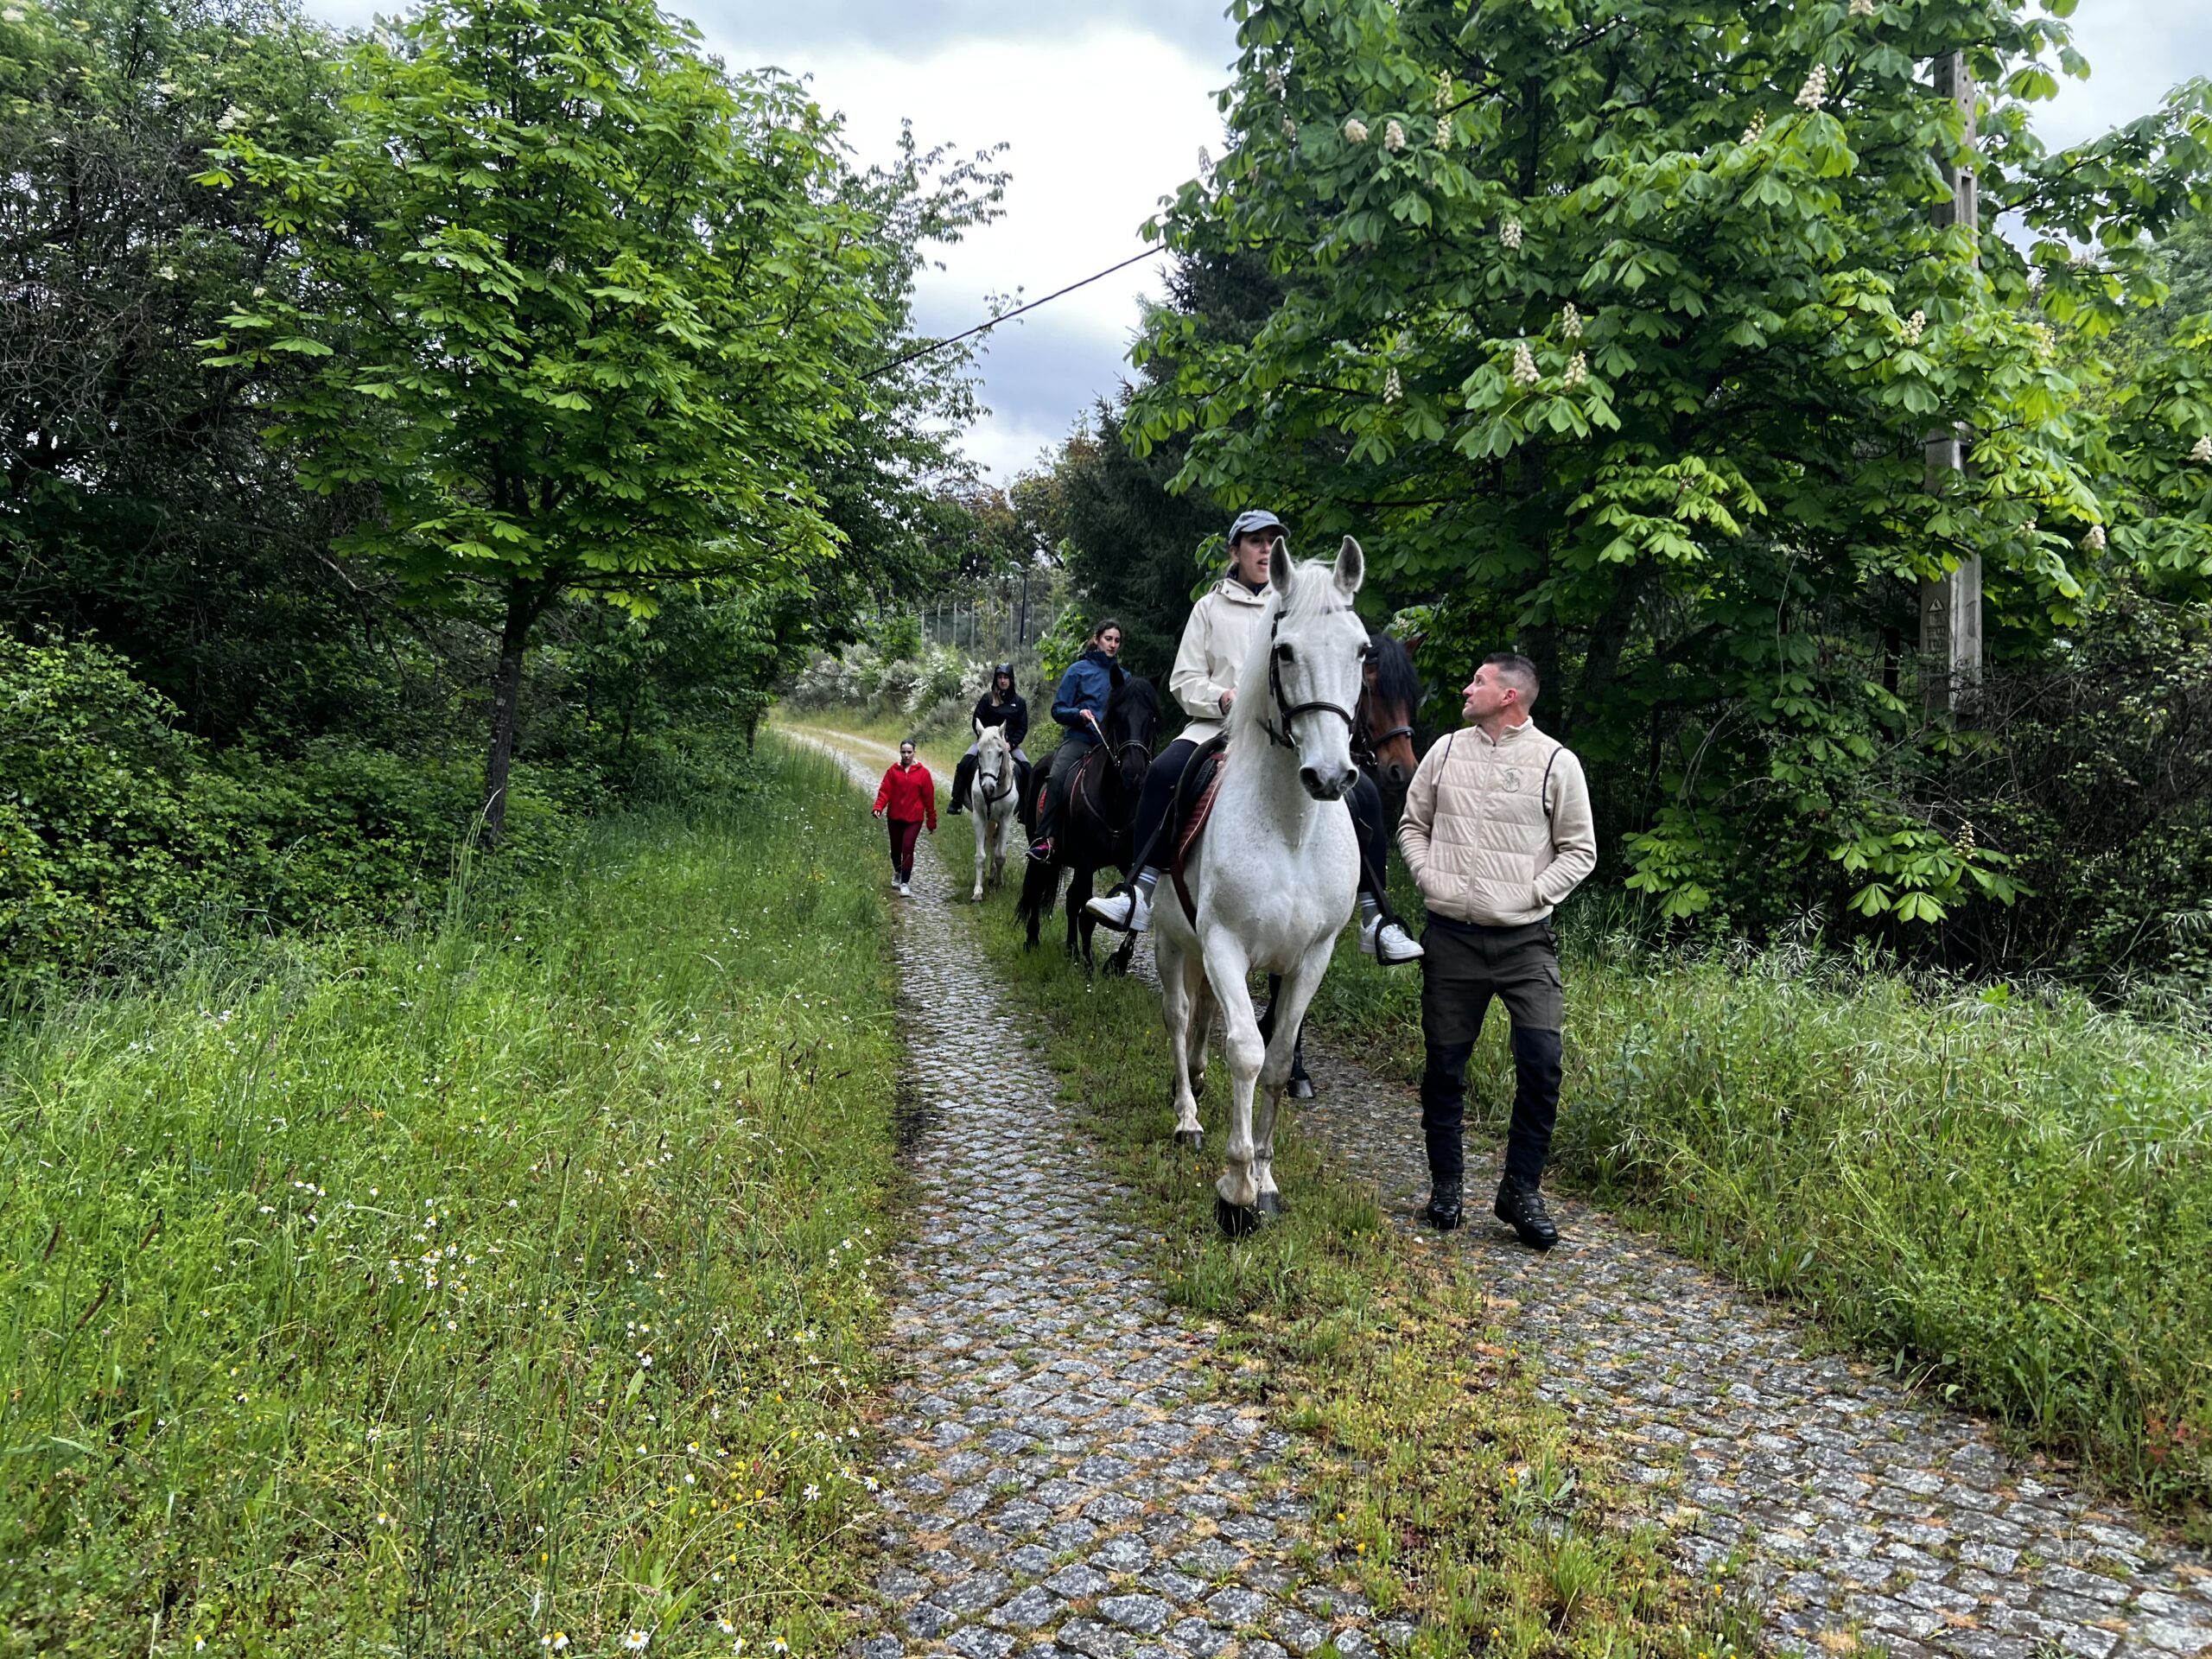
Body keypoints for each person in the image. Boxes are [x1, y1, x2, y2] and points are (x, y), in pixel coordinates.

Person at [1084, 509, 1421, 966]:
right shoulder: (1209, 608)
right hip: (1217, 728)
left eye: (1272, 540)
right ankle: (1138, 891)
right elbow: (1183, 680)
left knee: (1362, 793)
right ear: (1235, 550)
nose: (1264, 548)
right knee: (1164, 772)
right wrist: (1222, 698)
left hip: (1291, 735)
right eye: (1254, 541)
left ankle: (1376, 917)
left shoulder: (1300, 601)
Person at [1396, 653, 1597, 1248]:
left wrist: (1532, 892)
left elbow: (1579, 850)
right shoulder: (1446, 751)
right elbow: (1412, 824)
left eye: (1479, 681)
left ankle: (1520, 1192)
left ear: (1510, 696)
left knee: (1542, 1063)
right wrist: (1429, 878)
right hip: (1451, 937)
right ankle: (1448, 1187)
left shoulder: (1556, 762)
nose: (1467, 688)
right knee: (1444, 1068)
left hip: (1525, 942)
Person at [1028, 619, 1123, 861]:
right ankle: (1046, 839)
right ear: (1096, 639)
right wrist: (1078, 714)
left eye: (1117, 641)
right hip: (1079, 740)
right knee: (1058, 776)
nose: (1112, 645)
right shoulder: (1078, 670)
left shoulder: (1123, 677)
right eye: (1108, 639)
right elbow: (1058, 710)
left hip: (1108, 746)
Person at [948, 664, 1030, 815]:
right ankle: (956, 800)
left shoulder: (1019, 702)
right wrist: (984, 739)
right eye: (1000, 677)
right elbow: (976, 719)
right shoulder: (987, 698)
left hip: (1009, 744)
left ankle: (1025, 808)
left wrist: (1011, 744)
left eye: (1006, 678)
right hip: (986, 743)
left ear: (1011, 680)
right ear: (995, 679)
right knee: (964, 764)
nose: (1003, 681)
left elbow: (1023, 727)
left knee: (1027, 768)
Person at [872, 739, 937, 896]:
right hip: (895, 816)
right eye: (903, 752)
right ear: (900, 752)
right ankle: (898, 872)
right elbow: (885, 791)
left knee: (908, 848)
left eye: (909, 752)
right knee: (895, 850)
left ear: (914, 752)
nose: (906, 755)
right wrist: (878, 807)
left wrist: (931, 820)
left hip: (914, 818)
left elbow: (929, 798)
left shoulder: (923, 774)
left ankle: (905, 883)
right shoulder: (893, 771)